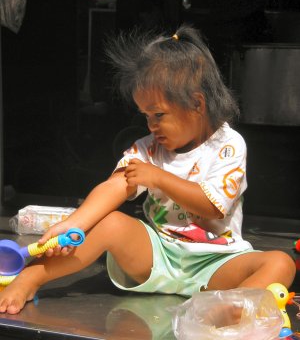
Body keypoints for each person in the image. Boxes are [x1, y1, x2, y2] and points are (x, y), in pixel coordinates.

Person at [0, 25, 296, 315]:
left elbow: (213, 206)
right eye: (145, 115)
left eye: (158, 115)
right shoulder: (148, 147)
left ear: (196, 104)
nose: (151, 125)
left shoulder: (228, 145)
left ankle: (229, 313)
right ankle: (32, 276)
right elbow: (114, 186)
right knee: (110, 222)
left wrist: (158, 177)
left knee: (280, 263)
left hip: (216, 262)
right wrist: (74, 223)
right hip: (158, 256)